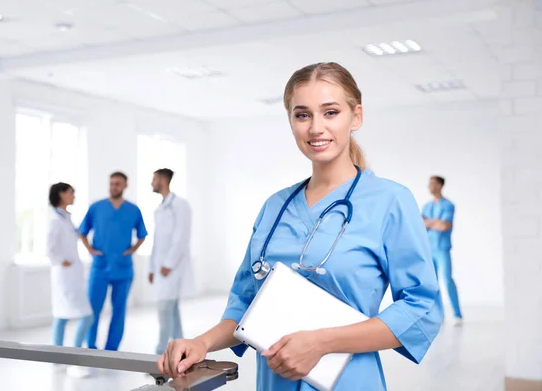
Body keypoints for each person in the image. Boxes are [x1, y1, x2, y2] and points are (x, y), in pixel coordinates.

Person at [158, 62, 443, 390]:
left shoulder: (390, 201)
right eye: (302, 114)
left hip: (348, 381)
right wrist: (202, 342)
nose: (316, 128)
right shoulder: (275, 207)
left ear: (357, 117)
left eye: (331, 112)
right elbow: (246, 303)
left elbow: (420, 307)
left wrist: (323, 342)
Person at [78, 172, 148, 351]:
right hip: (100, 267)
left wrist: (132, 250)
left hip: (123, 269)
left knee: (119, 311)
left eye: (117, 184)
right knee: (92, 310)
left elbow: (142, 235)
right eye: (111, 183)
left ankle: (111, 349)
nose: (113, 187)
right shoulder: (96, 207)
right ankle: (91, 347)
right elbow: (82, 231)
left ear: (125, 186)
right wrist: (91, 250)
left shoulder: (133, 210)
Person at [46, 182, 93, 378]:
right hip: (64, 275)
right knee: (86, 316)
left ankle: (57, 359)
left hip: (69, 275)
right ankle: (74, 359)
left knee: (61, 316)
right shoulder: (55, 220)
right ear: (61, 194)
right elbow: (49, 248)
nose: (74, 195)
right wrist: (61, 261)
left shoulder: (65, 218)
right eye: (71, 192)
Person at [148, 168, 193, 355]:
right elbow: (157, 240)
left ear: (162, 180)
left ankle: (160, 354)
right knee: (172, 312)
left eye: (153, 179)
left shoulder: (180, 205)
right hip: (161, 268)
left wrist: (168, 264)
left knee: (164, 311)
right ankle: (181, 350)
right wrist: (152, 267)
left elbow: (181, 237)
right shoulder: (160, 208)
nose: (151, 183)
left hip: (172, 268)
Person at [422, 176, 463, 325]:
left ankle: (457, 314)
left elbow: (445, 226)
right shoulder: (427, 206)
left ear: (440, 185)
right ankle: (439, 314)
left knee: (447, 280)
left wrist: (429, 222)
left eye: (432, 184)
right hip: (429, 249)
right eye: (429, 183)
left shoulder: (448, 205)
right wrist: (435, 222)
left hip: (442, 249)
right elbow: (420, 224)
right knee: (432, 283)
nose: (430, 186)